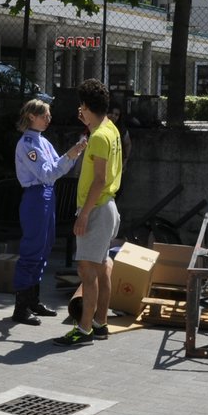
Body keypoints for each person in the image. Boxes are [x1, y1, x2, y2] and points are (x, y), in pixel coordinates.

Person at [54, 78, 123, 347]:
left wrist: (83, 215)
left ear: (86, 107)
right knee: (102, 266)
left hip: (96, 209)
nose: (79, 111)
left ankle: (84, 330)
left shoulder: (99, 137)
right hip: (106, 207)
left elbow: (99, 180)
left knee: (87, 270)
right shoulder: (110, 129)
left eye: (81, 107)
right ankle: (99, 323)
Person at [11, 100, 87, 325]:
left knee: (44, 246)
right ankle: (21, 306)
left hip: (46, 194)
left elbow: (57, 166)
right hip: (36, 196)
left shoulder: (42, 141)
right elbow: (48, 173)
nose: (49, 118)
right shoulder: (27, 143)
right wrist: (71, 154)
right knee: (33, 247)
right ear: (32, 116)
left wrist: (72, 154)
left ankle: (33, 299)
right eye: (45, 115)